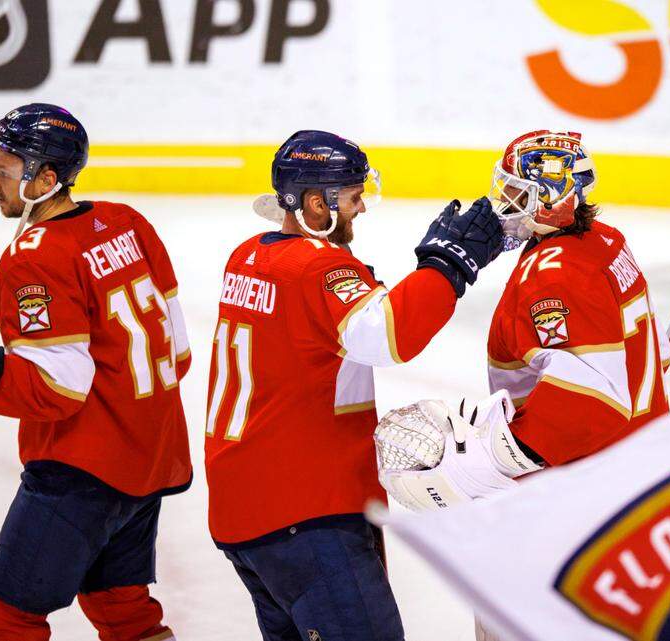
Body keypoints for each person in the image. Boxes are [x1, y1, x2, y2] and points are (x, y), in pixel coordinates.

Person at [204, 129, 504, 640]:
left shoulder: (249, 255)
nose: (361, 208)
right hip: (305, 513)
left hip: (246, 510)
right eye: (352, 196)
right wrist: (447, 265)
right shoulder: (316, 268)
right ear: (316, 204)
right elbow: (385, 336)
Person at [0, 103, 190, 641]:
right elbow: (177, 352)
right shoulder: (127, 223)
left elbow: (58, 390)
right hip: (149, 455)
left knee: (7, 613)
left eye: (6, 170)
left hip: (83, 470)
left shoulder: (34, 258)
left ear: (46, 179)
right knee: (122, 608)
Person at [375, 130, 670, 641]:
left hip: (574, 498)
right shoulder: (604, 242)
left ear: (552, 199)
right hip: (632, 475)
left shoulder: (554, 273)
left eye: (516, 193)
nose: (502, 205)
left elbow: (587, 405)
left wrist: (487, 462)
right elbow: (651, 352)